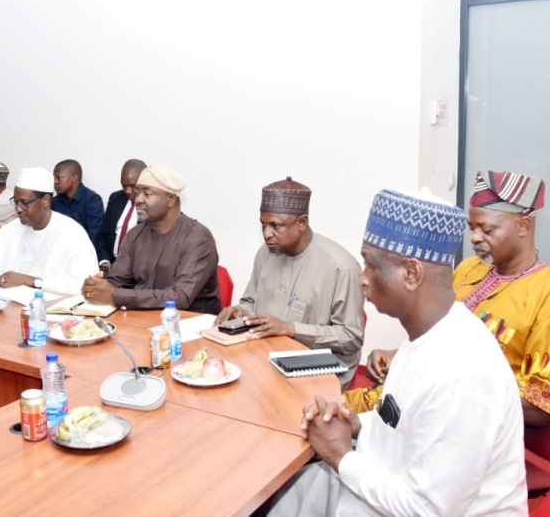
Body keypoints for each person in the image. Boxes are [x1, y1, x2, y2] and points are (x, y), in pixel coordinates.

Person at [264, 188, 526, 517]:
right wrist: (358, 424)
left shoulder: (460, 374)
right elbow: (400, 423)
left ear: (411, 273)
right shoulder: (426, 337)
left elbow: (426, 510)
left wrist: (342, 456)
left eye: (371, 265)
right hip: (388, 484)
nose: (362, 279)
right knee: (283, 494)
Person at [345, 171, 550, 427]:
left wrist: (435, 381)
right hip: (400, 397)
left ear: (523, 226)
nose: (474, 238)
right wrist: (398, 355)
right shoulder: (469, 269)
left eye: (487, 229)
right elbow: (436, 338)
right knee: (318, 413)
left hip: (450, 419)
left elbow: (539, 408)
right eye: (472, 228)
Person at [216, 177, 365, 389]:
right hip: (264, 358)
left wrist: (292, 329)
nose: (267, 234)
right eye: (263, 224)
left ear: (302, 222)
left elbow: (350, 337)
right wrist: (241, 312)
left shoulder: (341, 268)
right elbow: (251, 301)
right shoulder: (266, 253)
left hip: (316, 372)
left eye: (276, 225)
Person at [81, 163, 221, 313]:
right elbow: (118, 281)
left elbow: (180, 297)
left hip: (191, 326)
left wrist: (114, 295)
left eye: (147, 194)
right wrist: (97, 287)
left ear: (171, 199)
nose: (138, 200)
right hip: (141, 321)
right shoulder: (135, 235)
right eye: (137, 193)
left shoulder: (197, 238)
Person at [0, 168, 98, 295]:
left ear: (45, 201)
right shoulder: (14, 228)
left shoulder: (72, 234)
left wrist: (30, 281)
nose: (18, 209)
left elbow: (84, 287)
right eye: (15, 202)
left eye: (24, 203)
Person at [94, 159, 146, 269]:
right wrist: (104, 260)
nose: (127, 191)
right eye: (124, 186)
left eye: (133, 186)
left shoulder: (151, 205)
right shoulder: (116, 198)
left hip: (135, 269)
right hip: (111, 266)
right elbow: (102, 235)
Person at [51, 159, 104, 241]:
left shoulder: (92, 200)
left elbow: (94, 237)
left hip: (84, 251)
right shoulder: (55, 202)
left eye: (58, 177)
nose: (55, 182)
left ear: (74, 178)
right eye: (54, 178)